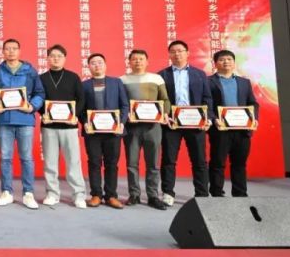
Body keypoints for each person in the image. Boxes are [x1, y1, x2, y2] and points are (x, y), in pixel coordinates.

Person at [0, 39, 44, 210]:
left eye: (14, 48)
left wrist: (32, 106)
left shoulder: (30, 71)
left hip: (25, 119)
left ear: (19, 51)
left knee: (26, 157)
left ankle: (28, 193)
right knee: (5, 157)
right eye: (7, 49)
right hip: (4, 120)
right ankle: (6, 192)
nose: (11, 51)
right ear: (2, 51)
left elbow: (39, 93)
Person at [158, 40, 213, 206]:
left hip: (195, 123)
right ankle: (168, 193)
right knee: (168, 159)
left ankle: (202, 194)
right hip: (172, 123)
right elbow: (159, 100)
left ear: (187, 53)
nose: (177, 54)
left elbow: (207, 98)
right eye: (173, 51)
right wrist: (164, 115)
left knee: (199, 160)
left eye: (180, 51)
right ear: (169, 54)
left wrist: (208, 118)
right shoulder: (162, 75)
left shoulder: (200, 74)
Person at [120, 49, 171, 210]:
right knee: (131, 163)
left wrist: (165, 113)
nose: (138, 61)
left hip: (153, 127)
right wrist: (125, 116)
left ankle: (153, 196)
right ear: (129, 61)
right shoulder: (122, 80)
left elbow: (165, 100)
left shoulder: (156, 78)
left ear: (147, 61)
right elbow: (121, 102)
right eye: (134, 59)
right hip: (132, 127)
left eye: (141, 59)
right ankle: (134, 194)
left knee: (153, 163)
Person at [38, 44, 87, 209]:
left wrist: (75, 115)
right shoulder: (41, 78)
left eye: (59, 56)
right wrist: (42, 112)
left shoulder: (73, 77)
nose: (56, 59)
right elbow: (37, 98)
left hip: (70, 127)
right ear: (47, 58)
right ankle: (52, 194)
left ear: (64, 58)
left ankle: (79, 195)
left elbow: (81, 99)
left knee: (73, 162)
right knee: (50, 162)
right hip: (48, 126)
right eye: (52, 56)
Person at [208, 49, 259, 197]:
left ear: (234, 62)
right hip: (220, 129)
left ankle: (240, 193)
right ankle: (217, 193)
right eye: (222, 59)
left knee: (239, 163)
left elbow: (253, 103)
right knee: (218, 163)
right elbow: (206, 104)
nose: (226, 62)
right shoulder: (208, 81)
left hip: (242, 130)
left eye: (229, 59)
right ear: (215, 63)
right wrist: (214, 119)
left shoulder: (244, 82)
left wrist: (254, 118)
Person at [80, 53, 129, 209]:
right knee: (94, 162)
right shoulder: (84, 85)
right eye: (93, 63)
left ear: (105, 65)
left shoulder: (116, 82)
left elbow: (125, 105)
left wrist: (121, 122)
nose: (97, 65)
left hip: (113, 131)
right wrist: (85, 122)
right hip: (92, 132)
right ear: (89, 66)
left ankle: (111, 196)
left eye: (100, 62)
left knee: (111, 164)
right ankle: (96, 195)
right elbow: (80, 108)